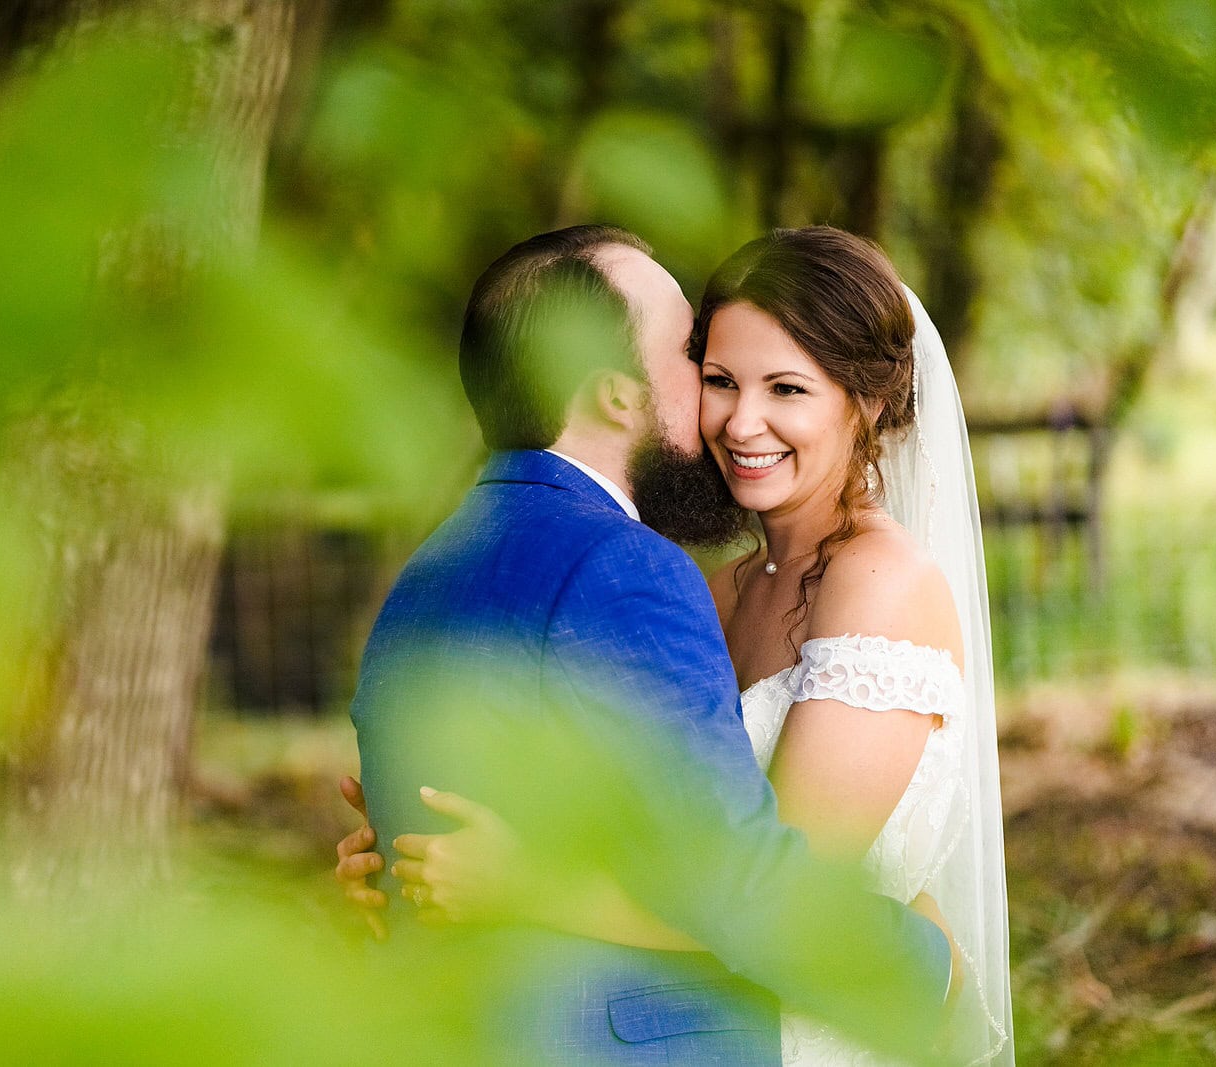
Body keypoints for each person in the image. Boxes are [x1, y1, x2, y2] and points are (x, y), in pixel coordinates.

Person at [343, 224, 958, 1063]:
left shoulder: (434, 565)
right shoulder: (639, 572)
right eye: (703, 366)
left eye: (784, 387)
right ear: (619, 396)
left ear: (864, 401)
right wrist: (930, 962)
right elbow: (737, 882)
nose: (733, 417)